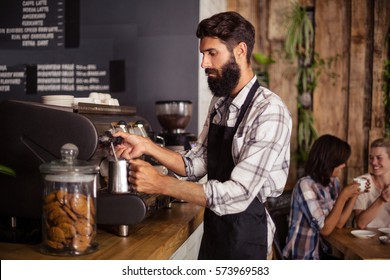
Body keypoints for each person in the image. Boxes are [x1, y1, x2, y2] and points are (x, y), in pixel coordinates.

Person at [113, 11, 292, 260]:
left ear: (240, 50)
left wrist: (161, 184)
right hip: (215, 234)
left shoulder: (269, 111)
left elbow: (239, 194)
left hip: (248, 239)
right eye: (203, 54)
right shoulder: (220, 103)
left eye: (212, 53)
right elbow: (196, 163)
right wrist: (147, 146)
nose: (204, 64)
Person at [282, 134, 367, 260]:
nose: (344, 165)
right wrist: (343, 195)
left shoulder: (333, 183)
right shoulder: (305, 185)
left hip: (322, 252)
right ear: (329, 161)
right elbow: (325, 229)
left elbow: (338, 223)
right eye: (340, 161)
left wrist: (355, 194)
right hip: (304, 257)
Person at [353, 137, 390, 228]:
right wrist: (381, 200)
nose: (373, 162)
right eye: (371, 158)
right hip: (367, 239)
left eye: (379, 158)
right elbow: (361, 224)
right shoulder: (362, 182)